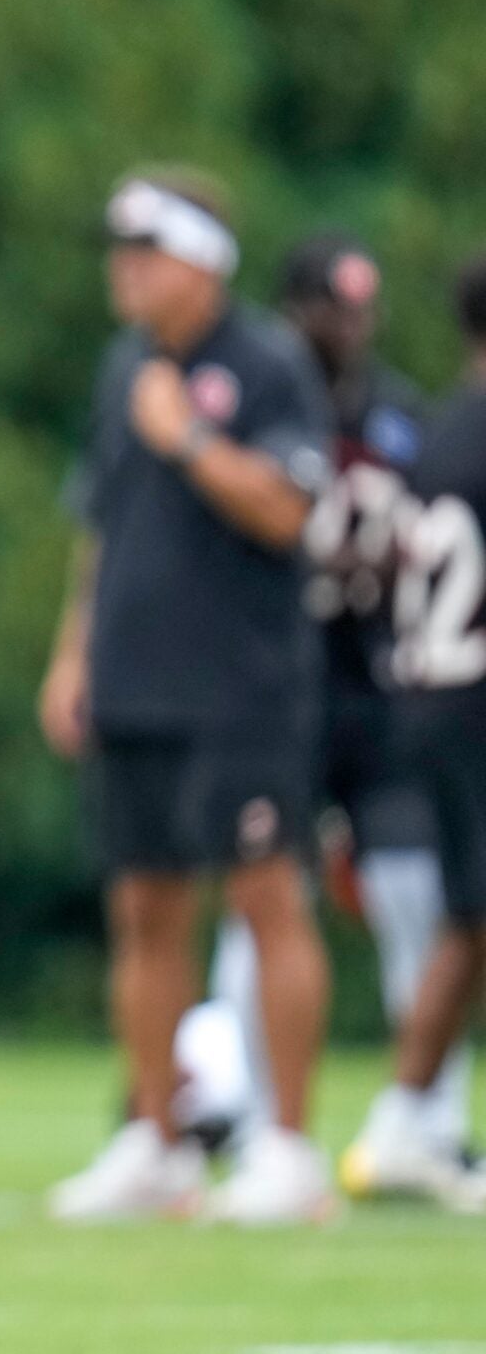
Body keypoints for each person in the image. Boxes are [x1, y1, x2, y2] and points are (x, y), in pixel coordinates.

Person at [40, 170, 336, 1225]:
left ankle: (287, 1148)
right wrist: (72, 656)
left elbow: (287, 508)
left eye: (143, 253)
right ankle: (156, 1141)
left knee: (264, 900)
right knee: (142, 911)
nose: (122, 273)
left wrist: (190, 439)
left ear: (201, 261)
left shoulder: (265, 365)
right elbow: (101, 527)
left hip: (239, 685)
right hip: (135, 680)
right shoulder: (124, 365)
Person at [181, 235, 466, 1175]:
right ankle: (246, 1108)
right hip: (276, 679)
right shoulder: (258, 391)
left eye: (361, 309)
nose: (350, 327)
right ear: (295, 309)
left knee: (415, 889)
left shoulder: (400, 417)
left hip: (376, 684)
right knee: (261, 892)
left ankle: (430, 1119)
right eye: (332, 308)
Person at [345, 253, 486, 1209]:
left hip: (429, 694)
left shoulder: (436, 432)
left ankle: (408, 1117)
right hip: (474, 694)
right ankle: (403, 1118)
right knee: (470, 919)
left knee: (470, 921)